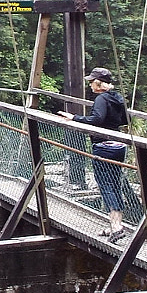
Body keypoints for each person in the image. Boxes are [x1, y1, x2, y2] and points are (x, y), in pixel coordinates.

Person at [58, 66, 131, 241]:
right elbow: (125, 119)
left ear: (98, 83)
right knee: (114, 185)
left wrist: (74, 118)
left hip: (103, 146)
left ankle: (117, 226)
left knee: (106, 186)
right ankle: (114, 224)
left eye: (92, 82)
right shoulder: (118, 98)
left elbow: (96, 120)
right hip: (119, 146)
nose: (90, 85)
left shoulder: (101, 99)